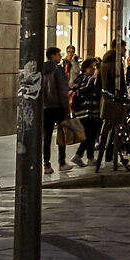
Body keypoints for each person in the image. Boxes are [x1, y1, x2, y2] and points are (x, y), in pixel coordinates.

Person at [41, 46, 71, 175]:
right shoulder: (58, 70)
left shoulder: (41, 69)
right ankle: (62, 162)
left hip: (46, 108)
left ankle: (46, 165)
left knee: (47, 137)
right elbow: (63, 91)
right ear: (53, 55)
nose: (60, 57)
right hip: (58, 106)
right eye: (58, 54)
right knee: (61, 135)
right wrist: (67, 108)